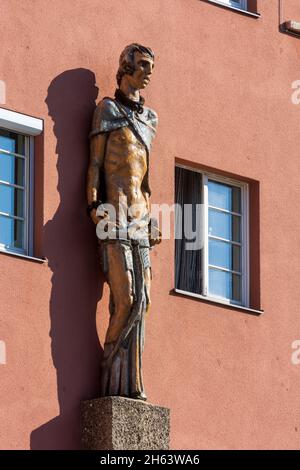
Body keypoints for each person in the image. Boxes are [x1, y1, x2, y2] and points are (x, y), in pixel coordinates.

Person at [86, 43, 160, 400]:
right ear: (125, 67)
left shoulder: (150, 120)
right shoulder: (107, 111)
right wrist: (92, 205)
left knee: (143, 300)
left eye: (151, 66)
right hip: (113, 216)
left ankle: (132, 384)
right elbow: (97, 166)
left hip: (140, 219)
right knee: (126, 297)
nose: (148, 72)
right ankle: (110, 375)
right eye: (143, 65)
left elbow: (144, 178)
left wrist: (154, 218)